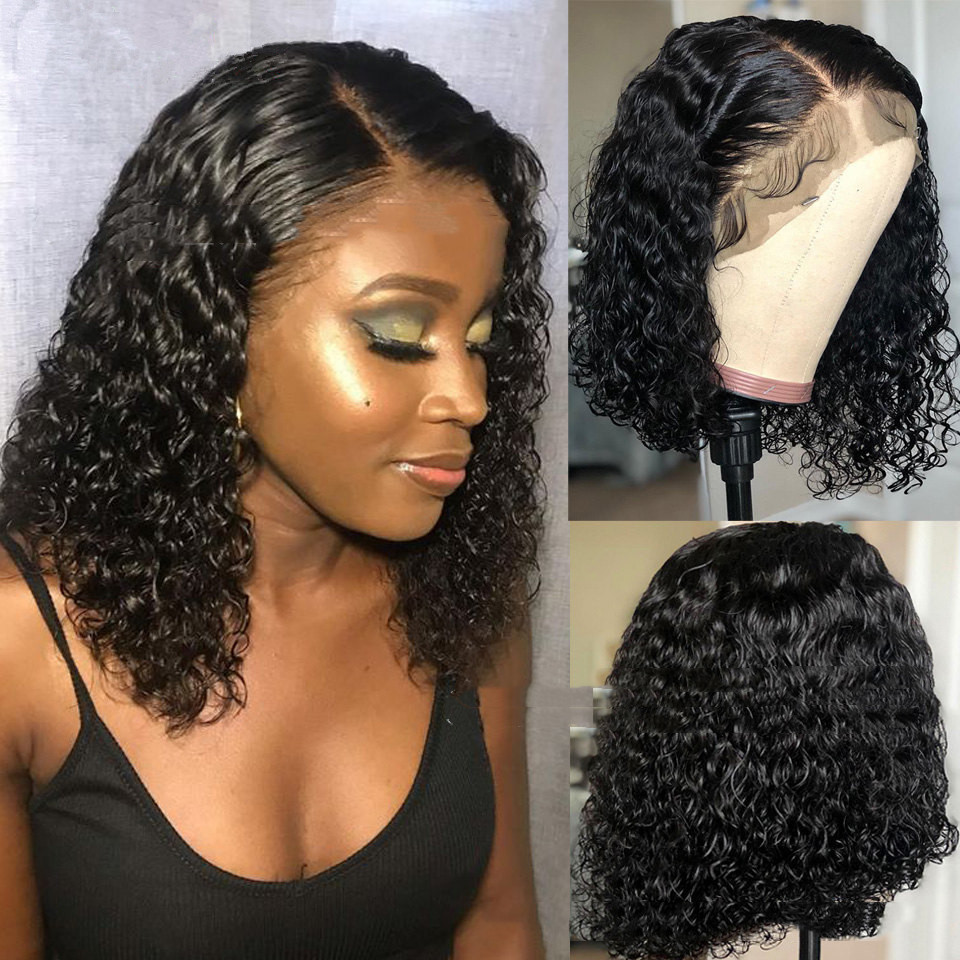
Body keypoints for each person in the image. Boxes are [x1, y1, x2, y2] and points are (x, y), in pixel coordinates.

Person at [0, 40, 550, 959]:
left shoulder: (464, 598)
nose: (470, 396)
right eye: (397, 333)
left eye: (481, 336)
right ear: (213, 329)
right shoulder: (22, 636)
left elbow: (498, 926)